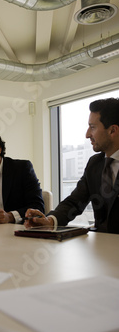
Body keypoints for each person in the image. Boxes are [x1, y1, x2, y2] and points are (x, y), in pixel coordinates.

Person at [24, 98, 119, 234]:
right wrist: (50, 221)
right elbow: (75, 202)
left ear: (112, 130)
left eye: (92, 127)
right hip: (101, 246)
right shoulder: (94, 164)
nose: (87, 135)